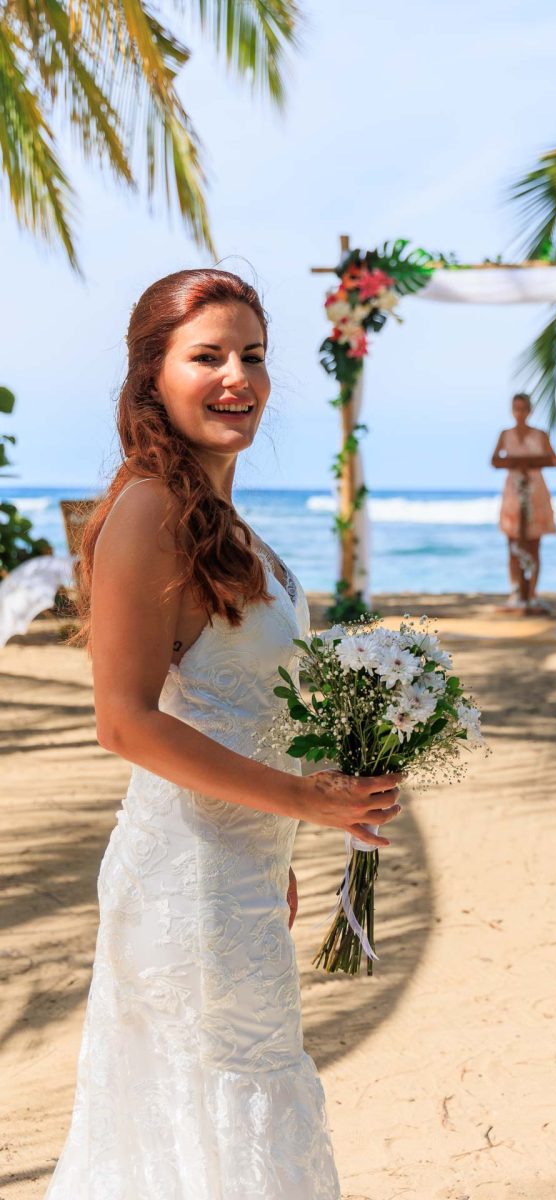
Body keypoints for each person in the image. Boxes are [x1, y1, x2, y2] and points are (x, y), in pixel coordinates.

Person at [45, 268, 404, 1200]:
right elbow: (123, 722)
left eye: (252, 355)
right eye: (206, 356)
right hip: (185, 886)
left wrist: (279, 838)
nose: (236, 376)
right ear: (152, 377)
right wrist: (299, 800)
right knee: (209, 1121)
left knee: (226, 1120)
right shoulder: (147, 510)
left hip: (238, 873)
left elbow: (234, 703)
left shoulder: (219, 519)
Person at [491, 392, 556, 614]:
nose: (519, 413)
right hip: (513, 490)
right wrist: (516, 464)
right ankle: (515, 591)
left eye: (523, 408)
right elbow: (494, 460)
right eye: (515, 408)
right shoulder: (505, 434)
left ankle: (531, 593)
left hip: (535, 491)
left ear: (529, 411)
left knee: (534, 544)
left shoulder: (540, 435)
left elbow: (554, 460)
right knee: (512, 544)